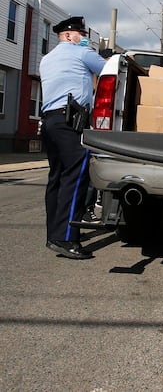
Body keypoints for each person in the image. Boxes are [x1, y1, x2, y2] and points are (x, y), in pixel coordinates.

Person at [40, 16, 106, 259]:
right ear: (69, 35)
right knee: (77, 174)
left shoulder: (46, 59)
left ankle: (53, 234)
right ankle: (66, 238)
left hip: (49, 122)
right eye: (80, 33)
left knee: (56, 177)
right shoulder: (81, 53)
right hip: (70, 122)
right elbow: (108, 71)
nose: (84, 38)